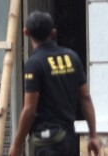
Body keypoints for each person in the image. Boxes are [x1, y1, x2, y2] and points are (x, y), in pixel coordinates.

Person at [8, 10, 101, 156]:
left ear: (26, 32)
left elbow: (29, 110)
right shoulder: (72, 57)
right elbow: (85, 98)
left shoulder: (34, 63)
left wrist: (16, 144)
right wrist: (93, 135)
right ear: (53, 32)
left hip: (48, 141)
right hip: (69, 139)